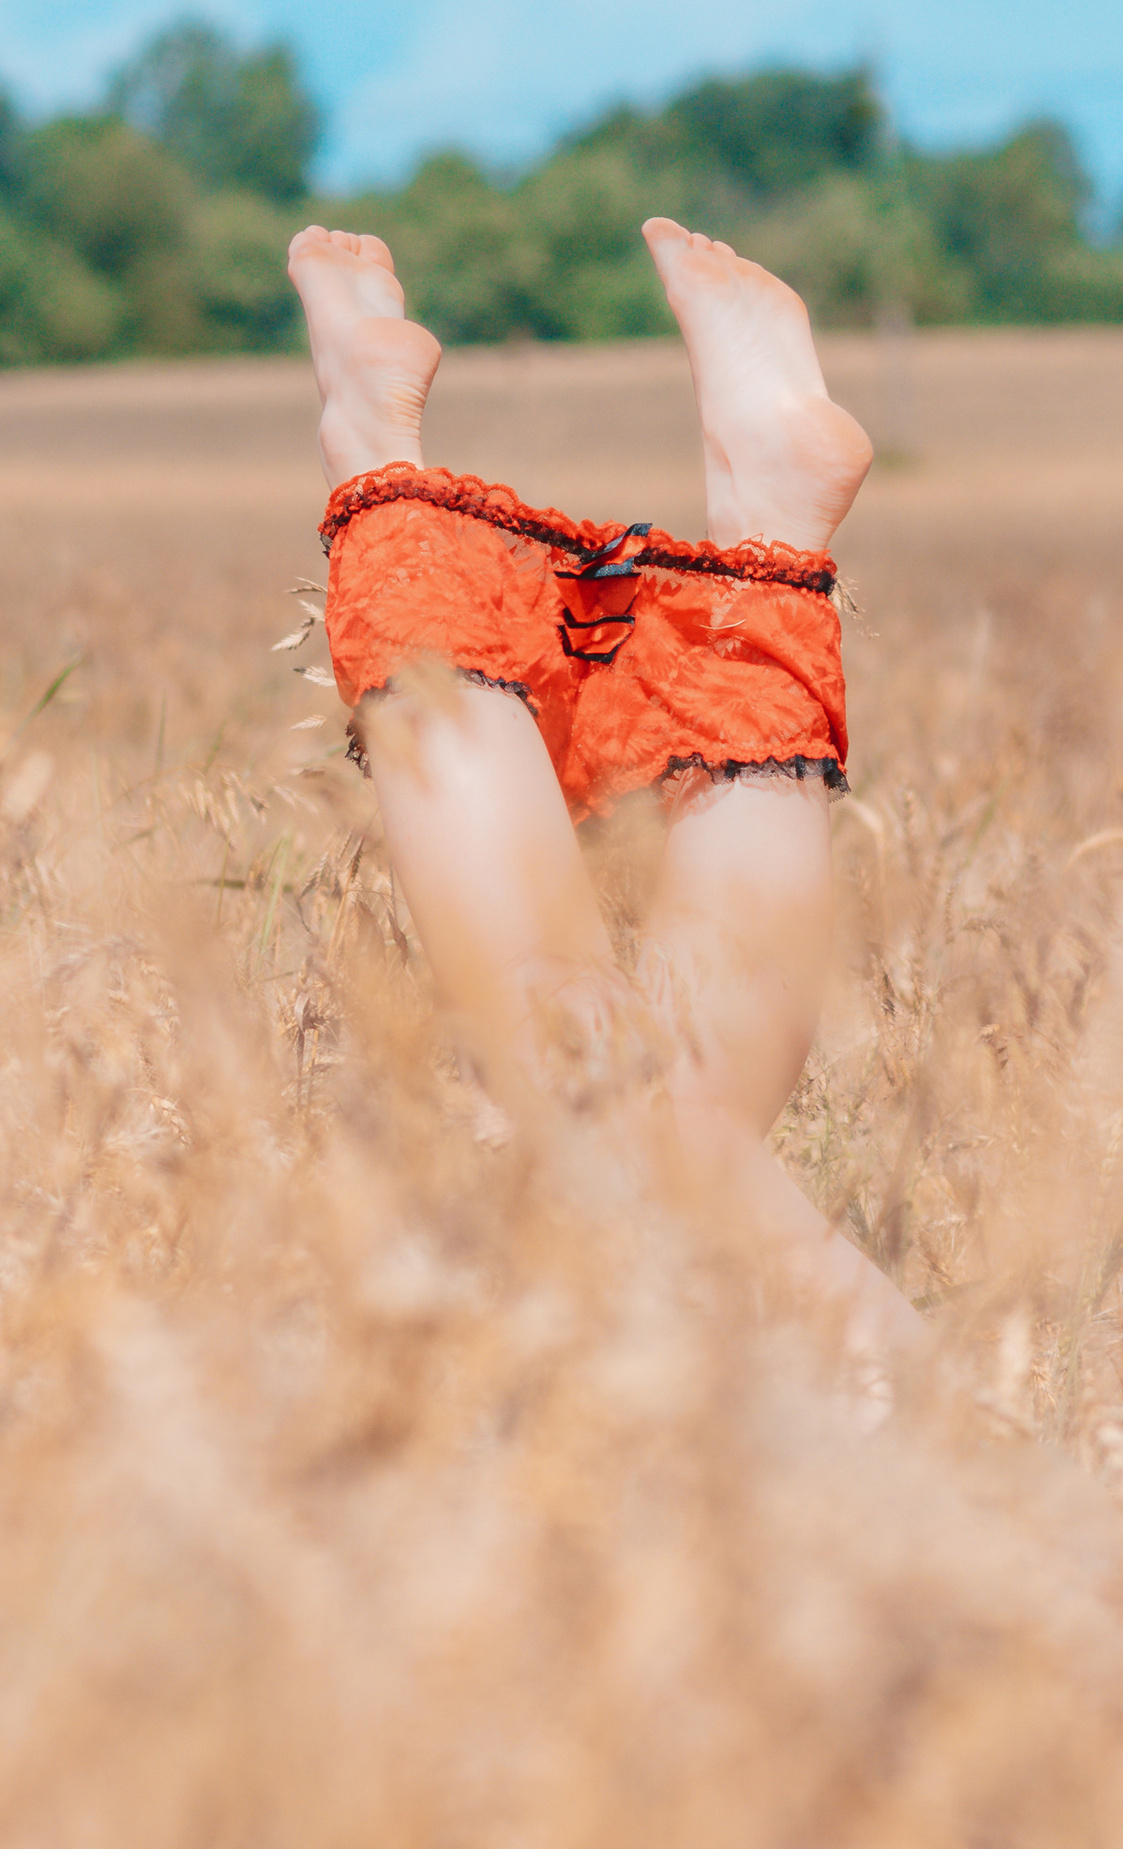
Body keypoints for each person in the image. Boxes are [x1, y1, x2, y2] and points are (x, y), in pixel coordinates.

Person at [287, 218, 920, 1365]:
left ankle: (393, 472)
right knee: (664, 1116)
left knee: (578, 1062)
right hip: (882, 1417)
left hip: (846, 1413)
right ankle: (760, 520)